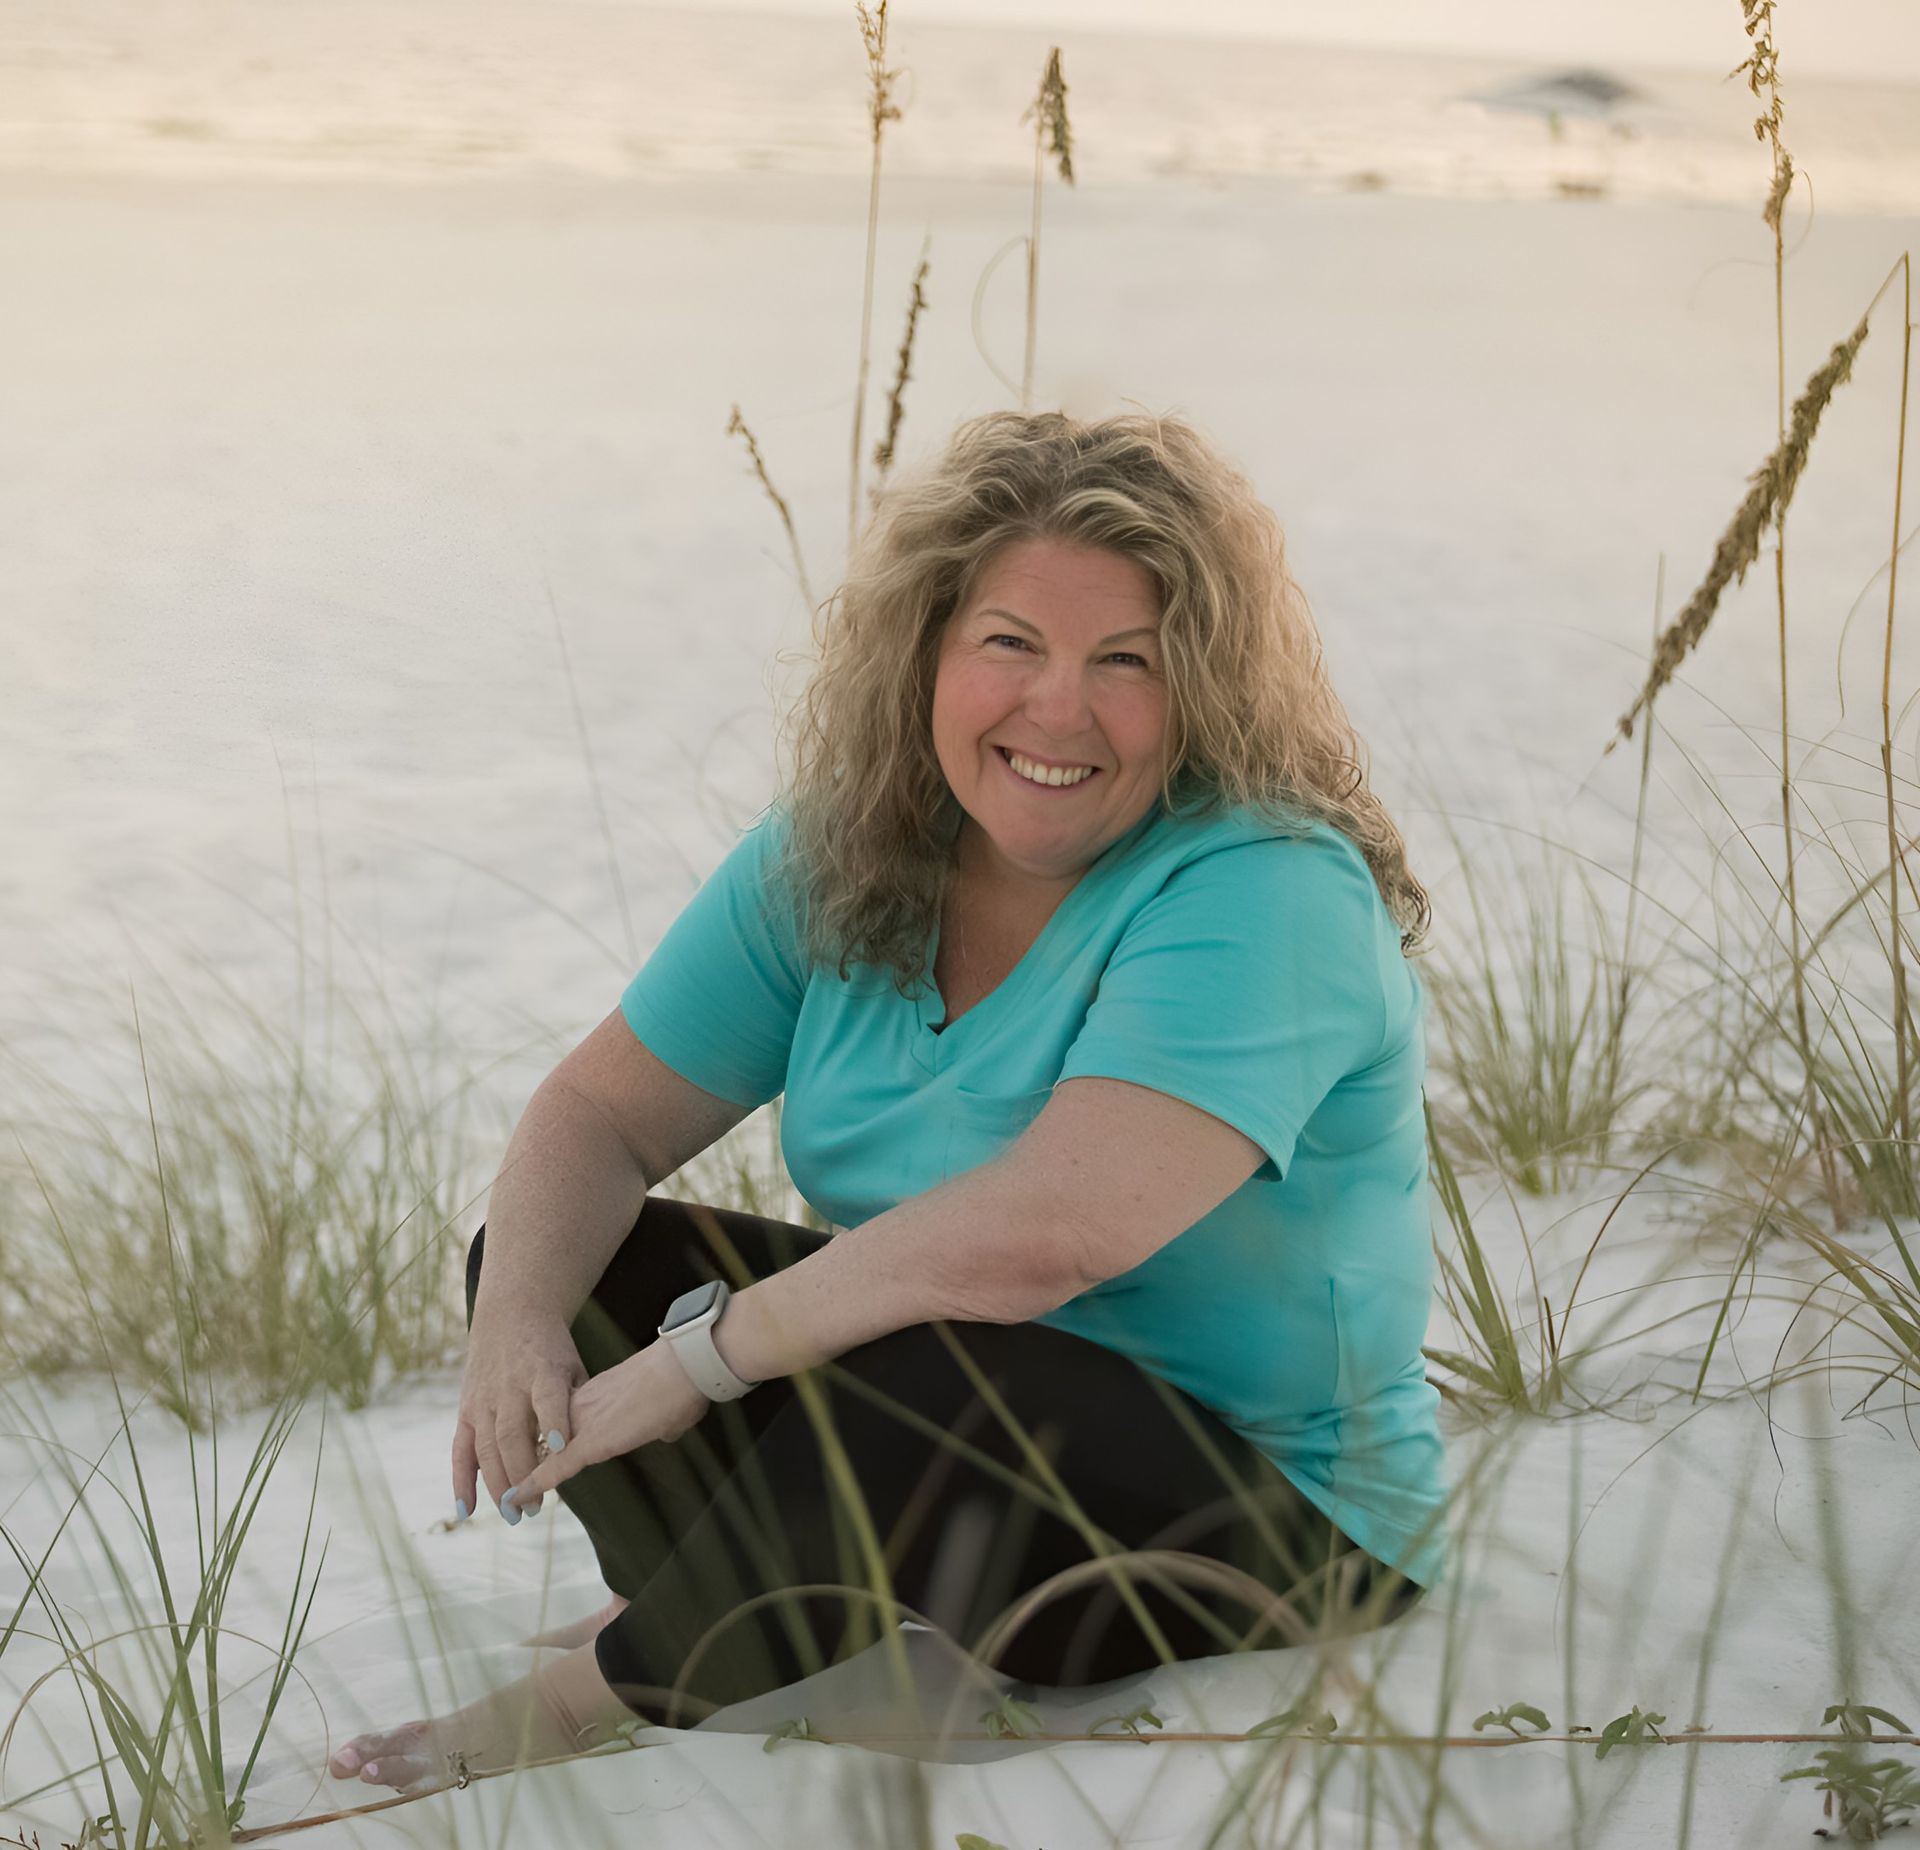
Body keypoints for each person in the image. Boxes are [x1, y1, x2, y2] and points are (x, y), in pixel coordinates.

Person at [328, 410, 1446, 1794]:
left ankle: (595, 1690)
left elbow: (1042, 1240)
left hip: (1279, 1534)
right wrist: (514, 1323)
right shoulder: (844, 849)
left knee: (928, 1362)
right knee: (574, 1260)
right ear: (926, 649)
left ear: (1201, 687)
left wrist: (698, 1366)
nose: (1059, 708)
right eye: (1010, 645)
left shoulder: (1266, 887)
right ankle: (722, 1595)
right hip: (969, 1447)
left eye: (1126, 663)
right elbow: (595, 1117)